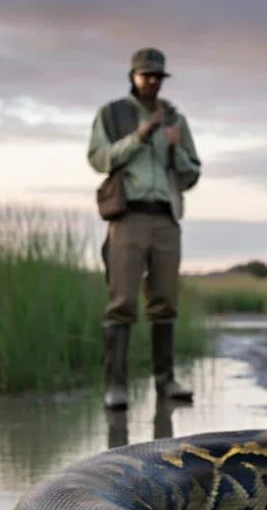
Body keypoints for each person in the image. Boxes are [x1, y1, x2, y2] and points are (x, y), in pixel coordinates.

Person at [87, 47, 202, 410]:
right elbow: (99, 159)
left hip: (166, 216)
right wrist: (138, 137)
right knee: (121, 301)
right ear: (133, 76)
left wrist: (175, 148)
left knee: (165, 300)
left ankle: (165, 382)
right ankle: (116, 386)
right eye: (146, 75)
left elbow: (192, 174)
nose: (152, 81)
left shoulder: (175, 118)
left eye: (158, 76)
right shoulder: (112, 114)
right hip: (128, 216)